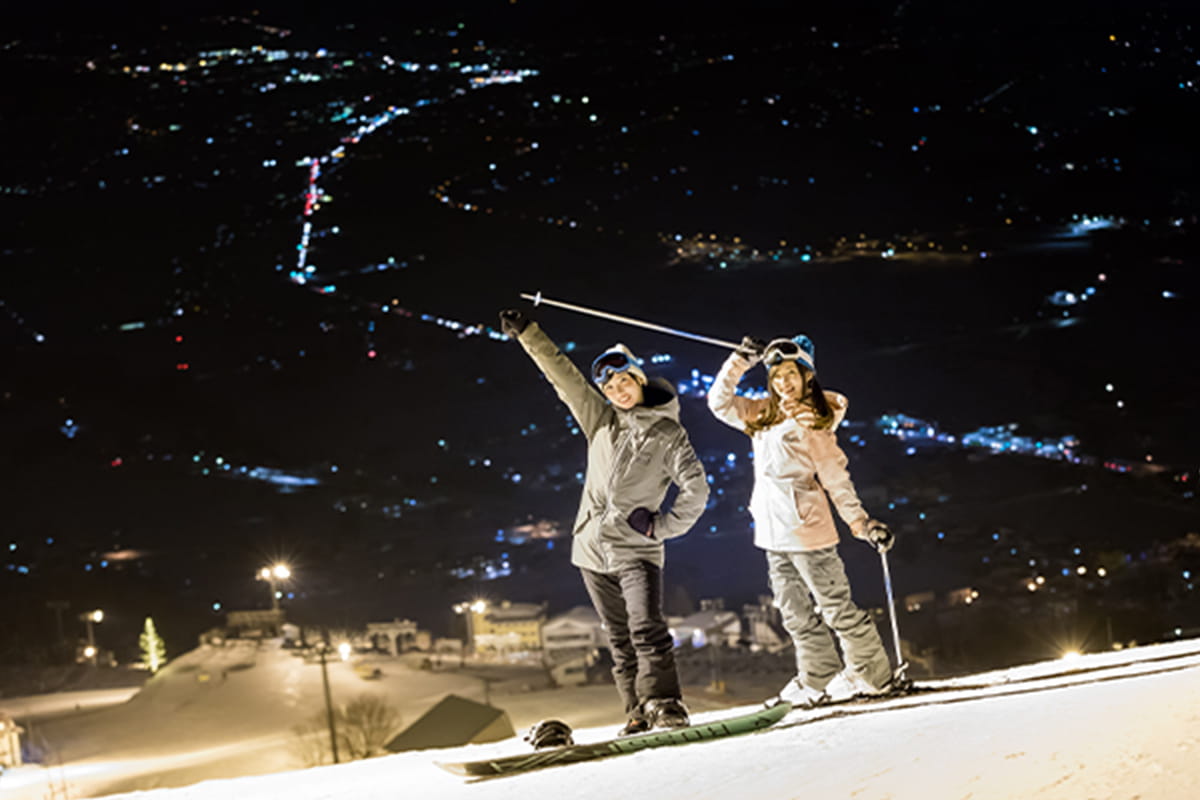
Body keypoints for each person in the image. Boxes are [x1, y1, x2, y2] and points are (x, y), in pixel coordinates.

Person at [499, 308, 709, 734]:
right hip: (591, 551)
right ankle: (636, 711)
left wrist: (662, 527)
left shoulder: (668, 435)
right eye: (610, 386)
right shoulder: (600, 422)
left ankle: (664, 704)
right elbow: (566, 379)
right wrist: (528, 334)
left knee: (646, 628)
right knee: (618, 638)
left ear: (639, 379)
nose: (618, 390)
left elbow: (697, 490)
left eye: (624, 381)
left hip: (636, 550)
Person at [706, 334, 896, 707]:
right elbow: (718, 403)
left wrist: (861, 523)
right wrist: (739, 361)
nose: (783, 384)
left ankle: (871, 672)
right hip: (772, 533)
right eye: (776, 377)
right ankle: (818, 673)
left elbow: (836, 478)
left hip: (808, 530)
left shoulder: (814, 423)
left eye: (791, 375)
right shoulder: (763, 415)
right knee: (794, 613)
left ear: (808, 377)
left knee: (834, 606)